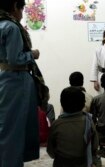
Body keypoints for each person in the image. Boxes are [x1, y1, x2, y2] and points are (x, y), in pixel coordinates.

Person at [0, 0, 41, 166]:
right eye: (22, 8)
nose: (22, 13)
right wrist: (33, 54)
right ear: (15, 6)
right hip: (17, 79)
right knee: (15, 128)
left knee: (5, 125)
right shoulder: (12, 27)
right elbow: (16, 58)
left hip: (5, 77)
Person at [47, 86, 100, 167]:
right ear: (83, 104)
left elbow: (51, 152)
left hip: (61, 163)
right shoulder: (88, 121)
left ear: (62, 103)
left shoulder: (56, 124)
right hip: (83, 163)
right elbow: (95, 146)